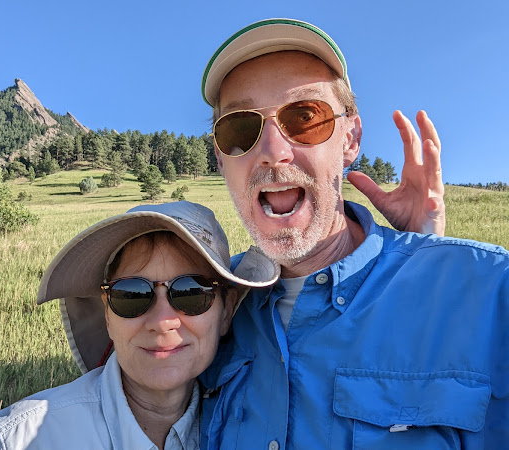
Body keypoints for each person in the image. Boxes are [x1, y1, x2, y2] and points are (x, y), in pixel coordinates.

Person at [198, 18, 508, 449]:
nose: (272, 152)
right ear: (220, 158)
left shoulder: (490, 291)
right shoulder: (199, 303)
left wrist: (428, 260)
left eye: (305, 117)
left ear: (350, 139)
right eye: (239, 129)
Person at [0, 201, 279, 449]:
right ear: (108, 315)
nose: (162, 322)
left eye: (191, 292)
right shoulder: (17, 441)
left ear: (225, 312)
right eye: (132, 295)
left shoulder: (243, 431)